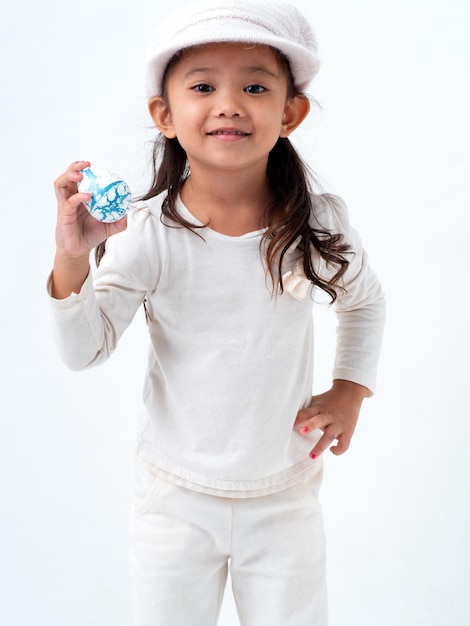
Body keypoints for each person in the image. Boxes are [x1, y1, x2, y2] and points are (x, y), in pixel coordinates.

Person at [48, 1, 385, 624]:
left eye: (255, 86)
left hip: (283, 494)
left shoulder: (317, 222)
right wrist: (74, 260)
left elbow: (364, 300)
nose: (229, 102)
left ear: (290, 114)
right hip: (173, 497)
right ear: (165, 115)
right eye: (203, 86)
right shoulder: (146, 233)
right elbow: (83, 351)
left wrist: (349, 389)